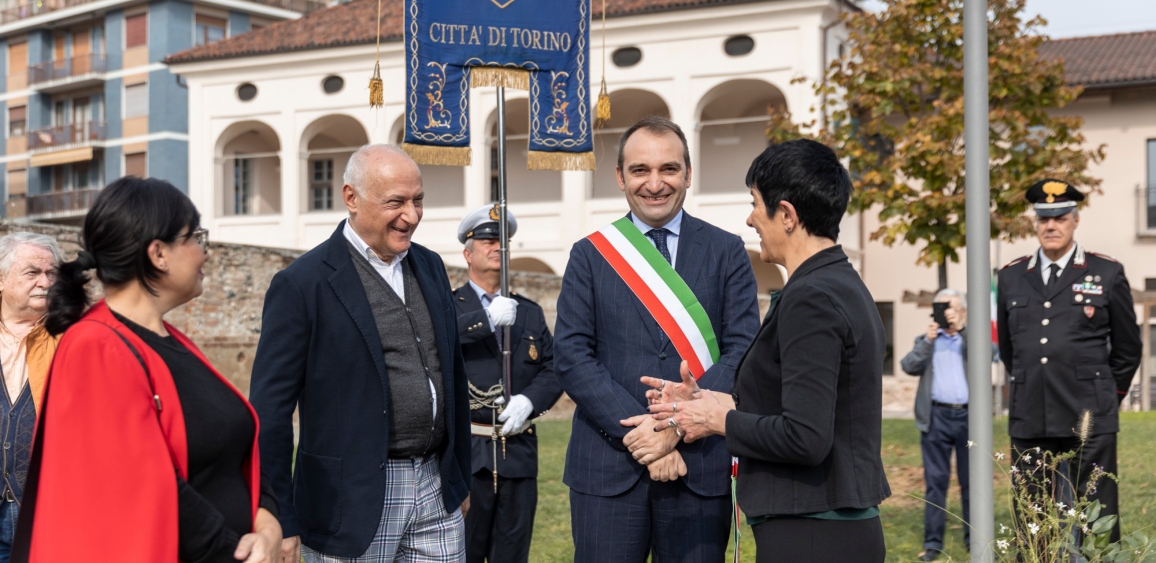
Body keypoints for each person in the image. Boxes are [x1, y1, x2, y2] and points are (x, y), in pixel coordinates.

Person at [12, 177, 282, 563]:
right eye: (196, 238)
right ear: (158, 253)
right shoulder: (95, 347)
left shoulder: (171, 340)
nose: (206, 253)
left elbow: (233, 449)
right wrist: (235, 554)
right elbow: (148, 487)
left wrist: (268, 523)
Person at [646, 139, 891, 563]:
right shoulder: (836, 282)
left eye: (756, 203)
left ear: (788, 215)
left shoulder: (812, 297)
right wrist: (707, 403)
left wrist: (722, 421)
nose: (750, 218)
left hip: (813, 531)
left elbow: (805, 437)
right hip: (821, 526)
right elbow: (796, 401)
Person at [249, 144, 471, 563]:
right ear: (351, 197)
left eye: (418, 200)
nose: (412, 215)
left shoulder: (430, 266)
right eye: (395, 203)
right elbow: (269, 411)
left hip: (435, 489)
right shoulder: (301, 285)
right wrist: (280, 516)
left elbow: (452, 375)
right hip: (347, 503)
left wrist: (456, 479)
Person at [554, 117, 760, 562]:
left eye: (668, 169)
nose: (654, 184)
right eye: (640, 170)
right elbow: (571, 356)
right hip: (610, 466)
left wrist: (673, 427)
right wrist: (648, 435)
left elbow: (744, 347)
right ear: (620, 178)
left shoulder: (727, 251)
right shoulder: (590, 254)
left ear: (688, 172)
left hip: (699, 462)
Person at [997, 179, 1142, 542]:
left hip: (1089, 415)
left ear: (1075, 220)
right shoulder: (1012, 276)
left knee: (1097, 517)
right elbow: (1011, 350)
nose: (1051, 226)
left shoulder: (1105, 272)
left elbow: (1128, 348)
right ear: (1035, 222)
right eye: (1044, 218)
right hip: (1031, 413)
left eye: (1060, 217)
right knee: (1032, 520)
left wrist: (1107, 396)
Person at [454, 205, 563, 563]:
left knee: (513, 555)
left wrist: (531, 401)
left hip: (517, 455)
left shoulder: (528, 311)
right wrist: (484, 319)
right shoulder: (450, 306)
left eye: (504, 241)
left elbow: (554, 367)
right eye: (487, 240)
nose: (498, 247)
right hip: (469, 455)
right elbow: (436, 345)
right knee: (464, 554)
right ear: (468, 252)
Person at [900, 289, 978, 561]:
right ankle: (933, 544)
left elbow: (991, 354)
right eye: (943, 307)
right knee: (936, 482)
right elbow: (907, 365)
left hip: (970, 419)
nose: (948, 312)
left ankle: (974, 541)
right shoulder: (927, 341)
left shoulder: (971, 340)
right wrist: (928, 340)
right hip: (936, 419)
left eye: (953, 307)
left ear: (964, 311)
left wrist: (964, 330)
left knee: (972, 482)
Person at [0, 233, 60, 562]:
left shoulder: (71, 336)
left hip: (43, 511)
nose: (45, 282)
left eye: (52, 274)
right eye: (32, 272)